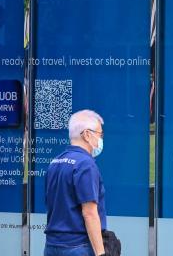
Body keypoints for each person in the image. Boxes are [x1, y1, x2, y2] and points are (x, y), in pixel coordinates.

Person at [44, 109, 107, 256]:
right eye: (100, 134)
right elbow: (89, 213)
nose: (101, 139)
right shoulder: (85, 164)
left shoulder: (55, 162)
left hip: (52, 245)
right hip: (78, 246)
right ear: (87, 134)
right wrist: (100, 253)